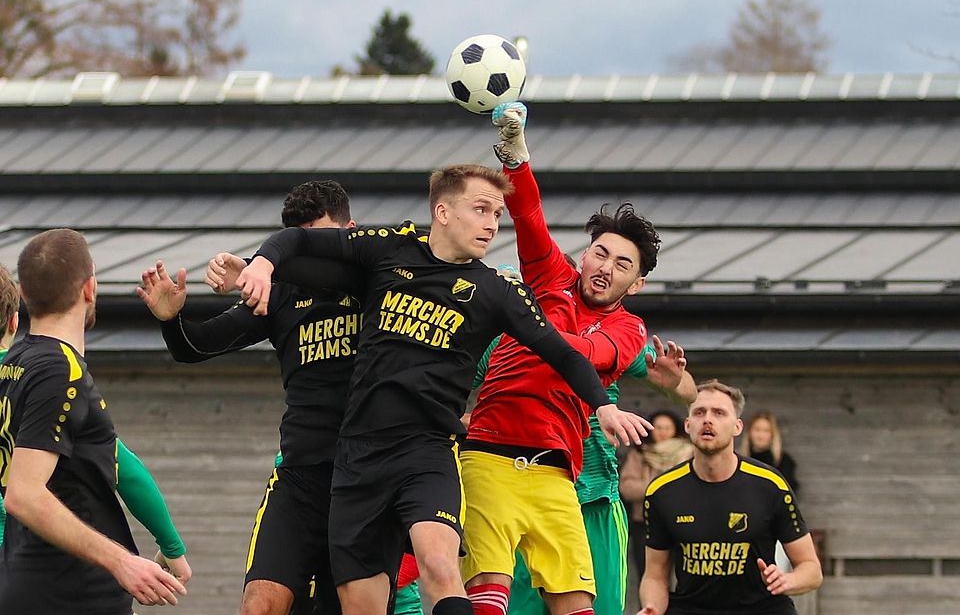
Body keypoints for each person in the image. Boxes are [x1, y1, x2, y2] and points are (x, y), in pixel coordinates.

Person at [235, 163, 650, 615]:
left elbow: (563, 353)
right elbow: (296, 242)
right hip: (358, 459)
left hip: (428, 452)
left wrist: (601, 408)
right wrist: (261, 266)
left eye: (497, 213)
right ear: (444, 212)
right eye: (481, 209)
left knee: (439, 563)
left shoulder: (495, 290)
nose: (493, 222)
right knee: (362, 604)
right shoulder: (389, 250)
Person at [460, 102, 697, 615]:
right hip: (492, 461)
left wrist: (678, 383)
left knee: (589, 605)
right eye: (601, 253)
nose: (606, 267)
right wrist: (517, 158)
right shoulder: (542, 284)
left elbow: (584, 355)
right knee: (492, 600)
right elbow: (528, 218)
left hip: (576, 483)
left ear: (637, 283)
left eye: (623, 264)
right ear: (584, 254)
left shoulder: (628, 331)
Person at [137, 180, 361, 615]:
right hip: (300, 478)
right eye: (302, 244)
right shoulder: (280, 296)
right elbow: (195, 346)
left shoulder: (378, 283)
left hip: (364, 481)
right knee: (259, 605)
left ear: (350, 229)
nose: (310, 255)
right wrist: (171, 318)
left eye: (320, 239)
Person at [0, 229, 187, 614]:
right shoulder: (58, 370)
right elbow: (24, 494)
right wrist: (123, 561)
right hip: (68, 590)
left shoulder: (16, 364)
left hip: (32, 580)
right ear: (89, 288)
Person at [639, 380, 822, 615]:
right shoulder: (661, 491)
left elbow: (811, 569)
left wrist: (787, 581)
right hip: (691, 608)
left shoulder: (770, 485)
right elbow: (655, 576)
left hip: (763, 608)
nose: (707, 419)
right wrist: (652, 607)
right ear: (687, 425)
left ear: (737, 427)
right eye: (699, 412)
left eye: (719, 413)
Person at [619, 410, 693, 579]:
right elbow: (626, 487)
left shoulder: (688, 453)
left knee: (681, 576)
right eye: (658, 427)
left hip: (681, 522)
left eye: (667, 427)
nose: (663, 431)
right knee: (647, 576)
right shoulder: (639, 454)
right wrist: (658, 486)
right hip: (645, 524)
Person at [739, 411, 799, 494]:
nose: (761, 435)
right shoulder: (738, 461)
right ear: (749, 432)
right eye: (757, 429)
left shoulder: (783, 462)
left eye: (766, 431)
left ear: (773, 434)